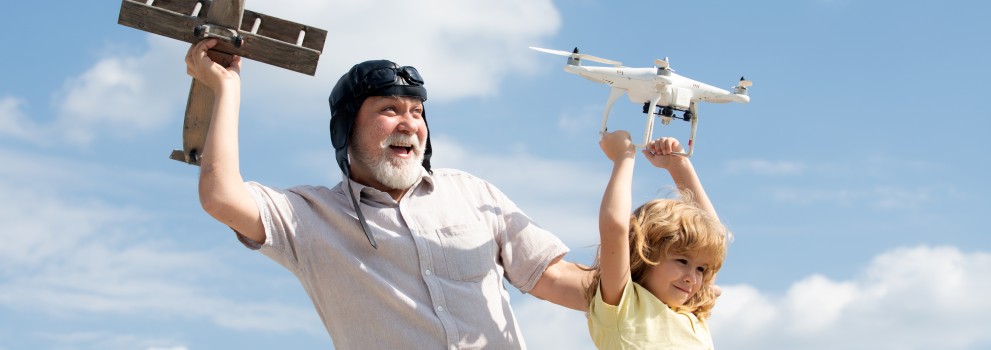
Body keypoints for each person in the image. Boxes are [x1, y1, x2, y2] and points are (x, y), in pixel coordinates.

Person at [184, 38, 590, 349]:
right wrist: (226, 87)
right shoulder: (309, 216)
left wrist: (647, 277)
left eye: (417, 112)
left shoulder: (472, 192)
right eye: (390, 110)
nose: (409, 124)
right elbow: (220, 195)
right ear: (345, 130)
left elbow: (555, 279)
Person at [585, 130, 730, 349]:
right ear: (645, 253)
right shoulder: (624, 304)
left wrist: (679, 165)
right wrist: (623, 157)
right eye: (682, 261)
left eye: (700, 269)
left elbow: (714, 238)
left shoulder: (691, 312)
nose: (692, 277)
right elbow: (615, 227)